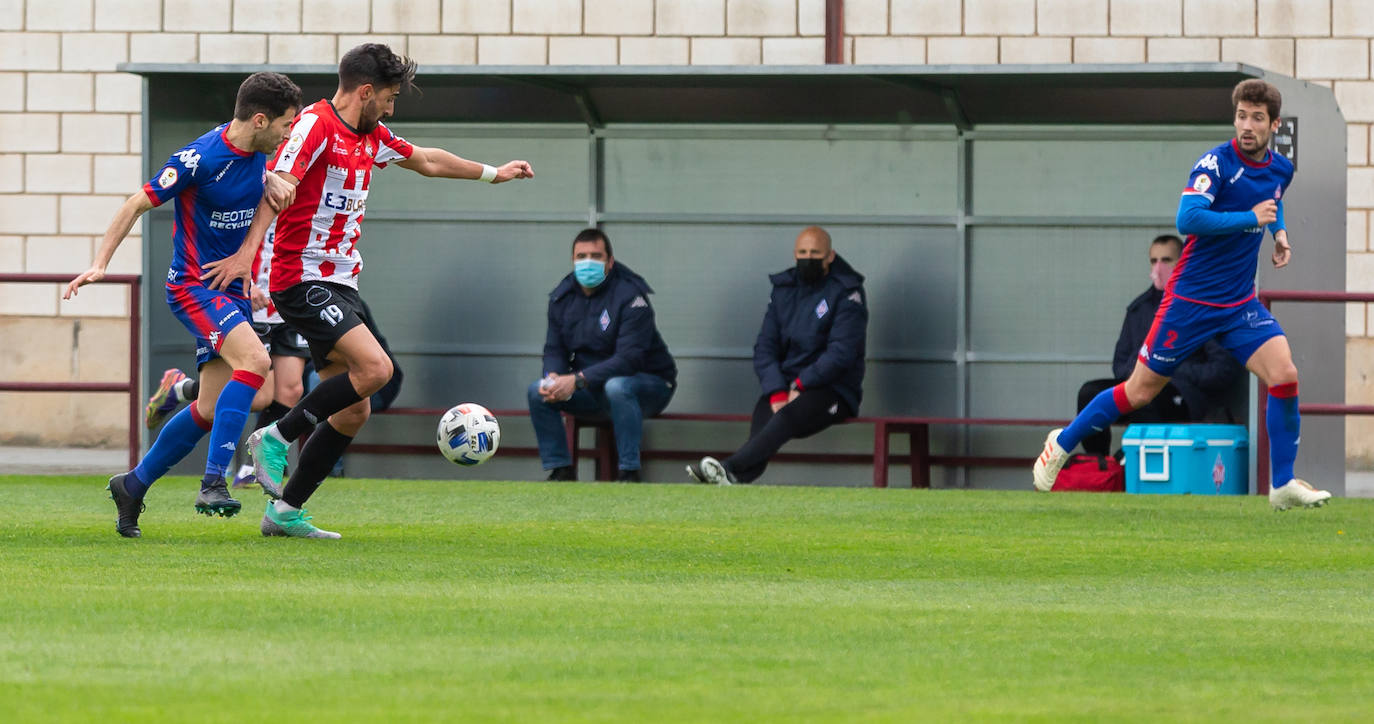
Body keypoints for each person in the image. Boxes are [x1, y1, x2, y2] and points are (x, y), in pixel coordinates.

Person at [204, 43, 533, 539]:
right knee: (378, 369)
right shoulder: (314, 126)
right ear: (365, 91)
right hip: (301, 278)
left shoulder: (372, 134)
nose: (392, 108)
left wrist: (493, 173)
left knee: (355, 409)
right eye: (390, 97)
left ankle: (284, 513)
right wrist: (249, 256)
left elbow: (427, 160)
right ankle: (275, 435)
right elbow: (276, 190)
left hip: (342, 282)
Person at [1031, 78, 1331, 511]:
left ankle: (1281, 484)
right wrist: (1250, 219)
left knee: (1284, 374)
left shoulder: (1281, 168)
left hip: (1238, 304)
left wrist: (1279, 232)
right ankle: (1061, 443)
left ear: (1274, 125)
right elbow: (1188, 218)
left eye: (1257, 118)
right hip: (1189, 302)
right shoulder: (1215, 163)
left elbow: (1273, 197)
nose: (1247, 125)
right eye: (1241, 116)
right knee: (1138, 393)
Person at [63, 71, 303, 537]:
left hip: (228, 288)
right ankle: (214, 480)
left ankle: (132, 485)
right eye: (285, 125)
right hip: (193, 288)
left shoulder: (256, 152)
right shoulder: (198, 158)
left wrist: (271, 178)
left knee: (211, 408)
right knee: (256, 362)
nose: (288, 133)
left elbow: (250, 177)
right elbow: (136, 202)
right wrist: (99, 263)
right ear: (260, 119)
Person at [687, 226, 866, 485]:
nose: (808, 257)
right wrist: (777, 390)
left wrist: (802, 384)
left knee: (786, 417)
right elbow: (765, 348)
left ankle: (728, 466)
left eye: (815, 252)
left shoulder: (848, 291)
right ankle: (731, 479)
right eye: (803, 252)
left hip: (833, 389)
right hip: (785, 387)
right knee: (763, 422)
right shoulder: (784, 289)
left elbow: (841, 353)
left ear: (830, 256)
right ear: (794, 254)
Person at [528, 228, 677, 483]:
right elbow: (554, 349)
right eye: (581, 256)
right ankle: (560, 470)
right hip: (591, 387)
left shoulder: (631, 297)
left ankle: (629, 472)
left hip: (647, 385)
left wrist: (576, 380)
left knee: (617, 387)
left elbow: (629, 360)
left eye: (595, 256)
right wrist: (554, 376)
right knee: (537, 390)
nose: (588, 262)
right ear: (572, 260)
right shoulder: (561, 298)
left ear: (610, 262)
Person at [1075, 234, 1245, 457]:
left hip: (1183, 395)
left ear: (1183, 261)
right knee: (1090, 393)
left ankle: (1137, 462)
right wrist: (1138, 372)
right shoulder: (1139, 309)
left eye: (1166, 260)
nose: (1159, 267)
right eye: (1154, 261)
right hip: (1138, 386)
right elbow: (1120, 362)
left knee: (1147, 396)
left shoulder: (1204, 307)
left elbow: (1223, 369)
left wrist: (1171, 370)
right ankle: (1101, 465)